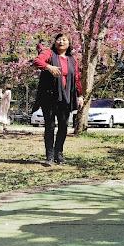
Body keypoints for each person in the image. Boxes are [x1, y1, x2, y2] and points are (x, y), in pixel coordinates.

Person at [33, 33, 83, 167]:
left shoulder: (72, 59)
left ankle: (58, 153)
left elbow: (77, 78)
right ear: (55, 42)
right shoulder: (49, 54)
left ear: (69, 43)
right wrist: (49, 67)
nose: (61, 42)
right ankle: (49, 156)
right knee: (49, 126)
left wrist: (80, 95)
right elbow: (37, 61)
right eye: (59, 39)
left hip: (66, 97)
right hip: (50, 96)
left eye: (64, 39)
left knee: (63, 126)